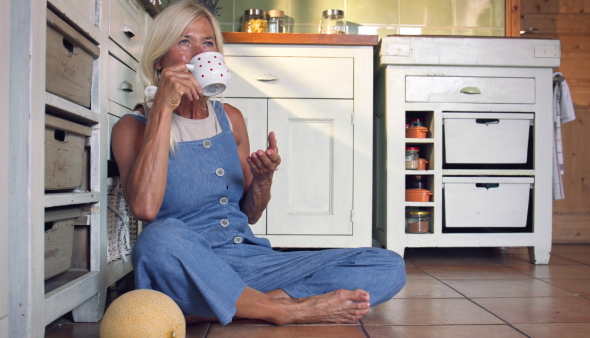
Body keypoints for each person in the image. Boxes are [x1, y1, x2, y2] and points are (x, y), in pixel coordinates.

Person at [111, 0, 405, 327]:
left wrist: (264, 180)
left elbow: (249, 215)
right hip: (190, 266)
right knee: (156, 240)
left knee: (388, 264)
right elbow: (145, 209)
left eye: (207, 43)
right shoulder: (132, 128)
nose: (197, 53)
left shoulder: (231, 120)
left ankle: (233, 305)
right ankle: (285, 309)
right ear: (159, 59)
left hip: (252, 261)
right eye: (184, 41)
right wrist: (163, 108)